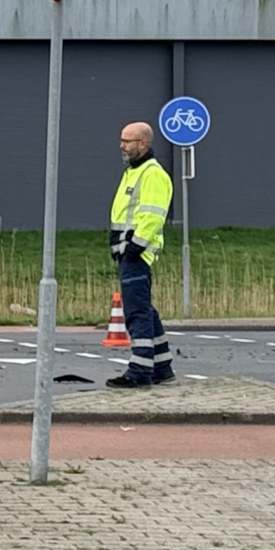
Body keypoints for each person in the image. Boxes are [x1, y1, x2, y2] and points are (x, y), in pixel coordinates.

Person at [104, 121, 174, 388]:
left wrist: (135, 247)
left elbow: (153, 216)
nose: (122, 146)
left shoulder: (151, 174)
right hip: (128, 251)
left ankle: (140, 371)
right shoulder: (134, 172)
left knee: (137, 312)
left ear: (143, 144)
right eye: (121, 140)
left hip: (136, 253)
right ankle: (162, 367)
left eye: (128, 141)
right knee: (145, 310)